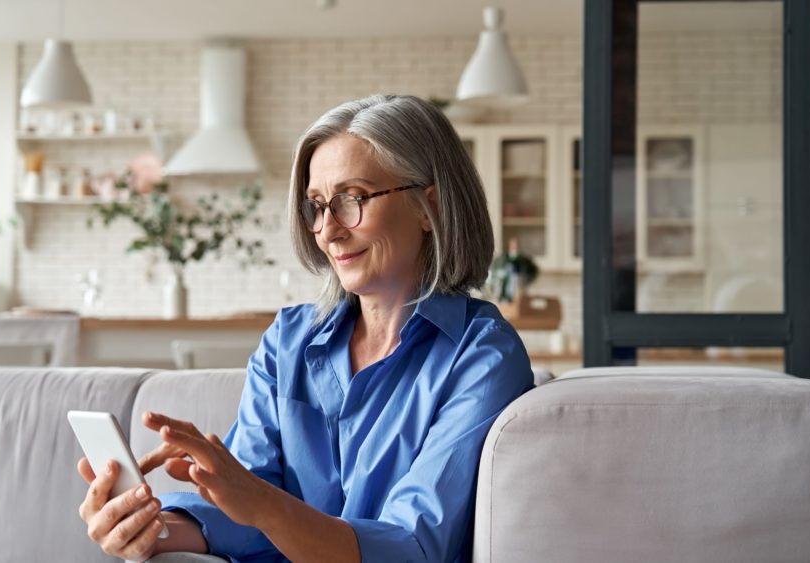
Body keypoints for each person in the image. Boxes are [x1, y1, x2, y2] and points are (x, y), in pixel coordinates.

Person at [77, 94, 534, 563]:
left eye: (352, 199)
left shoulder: (481, 356)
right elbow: (244, 516)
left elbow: (412, 548)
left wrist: (259, 505)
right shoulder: (287, 341)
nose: (328, 230)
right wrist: (149, 527)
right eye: (317, 205)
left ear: (427, 207)